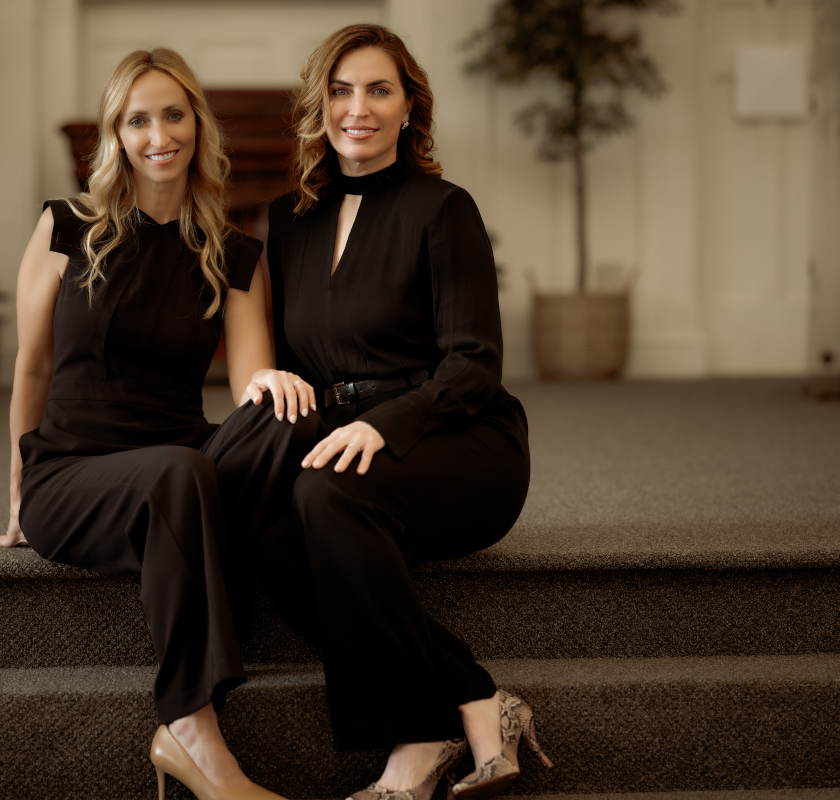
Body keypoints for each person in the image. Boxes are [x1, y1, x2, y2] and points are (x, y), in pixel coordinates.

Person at [0, 48, 320, 800]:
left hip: (181, 465)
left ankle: (195, 552)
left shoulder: (233, 252)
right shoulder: (66, 227)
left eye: (173, 115)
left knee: (288, 420)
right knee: (179, 470)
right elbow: (32, 369)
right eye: (137, 121)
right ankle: (190, 729)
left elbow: (251, 384)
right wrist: (18, 496)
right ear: (116, 135)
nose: (158, 135)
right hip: (74, 473)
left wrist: (277, 382)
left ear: (197, 125)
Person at [263, 24, 552, 800]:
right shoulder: (288, 219)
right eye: (341, 91)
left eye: (378, 90)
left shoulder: (443, 208)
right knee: (272, 541)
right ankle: (475, 695)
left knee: (324, 497)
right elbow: (291, 366)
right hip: (345, 443)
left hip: (460, 438)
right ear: (319, 105)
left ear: (408, 107)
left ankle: (418, 741)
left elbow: (475, 364)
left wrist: (383, 424)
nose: (358, 108)